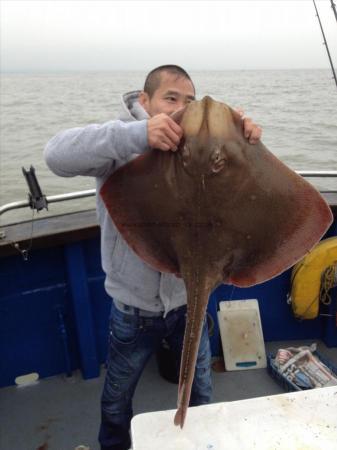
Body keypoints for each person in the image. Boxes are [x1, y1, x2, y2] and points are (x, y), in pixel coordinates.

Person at [44, 65, 262, 450]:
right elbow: (56, 155)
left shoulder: (209, 146)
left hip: (187, 303)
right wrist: (138, 135)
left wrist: (246, 144)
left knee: (202, 399)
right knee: (116, 402)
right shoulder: (122, 146)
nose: (183, 108)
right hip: (132, 311)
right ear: (144, 102)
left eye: (189, 101)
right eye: (171, 98)